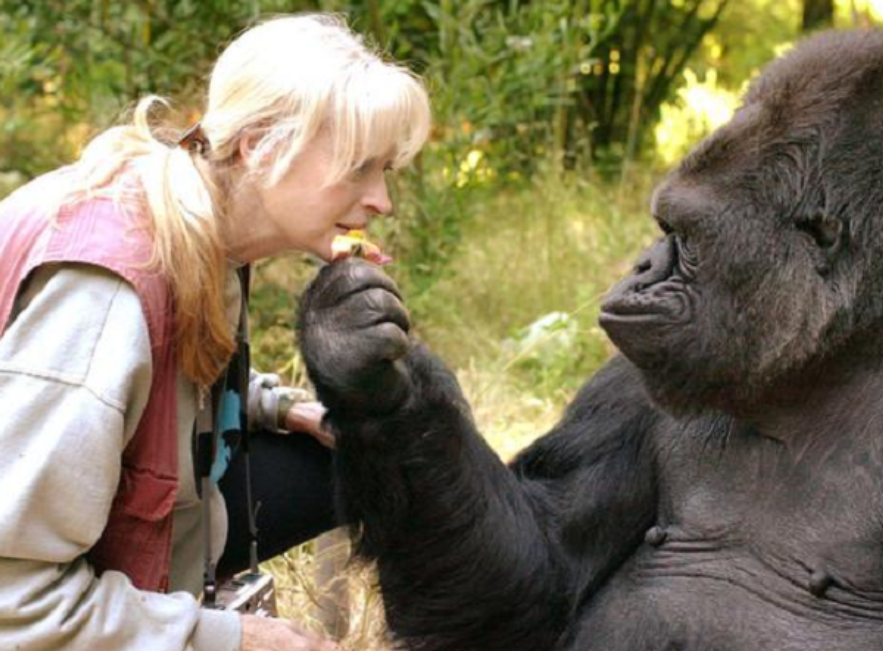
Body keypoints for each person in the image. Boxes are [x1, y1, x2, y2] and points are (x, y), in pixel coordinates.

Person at [0, 12, 430, 651]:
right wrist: (231, 637)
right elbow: (14, 600)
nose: (381, 201)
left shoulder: (198, 220)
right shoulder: (106, 293)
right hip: (28, 587)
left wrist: (276, 406)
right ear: (260, 146)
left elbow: (150, 389)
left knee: (372, 457)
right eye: (358, 167)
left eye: (385, 171)